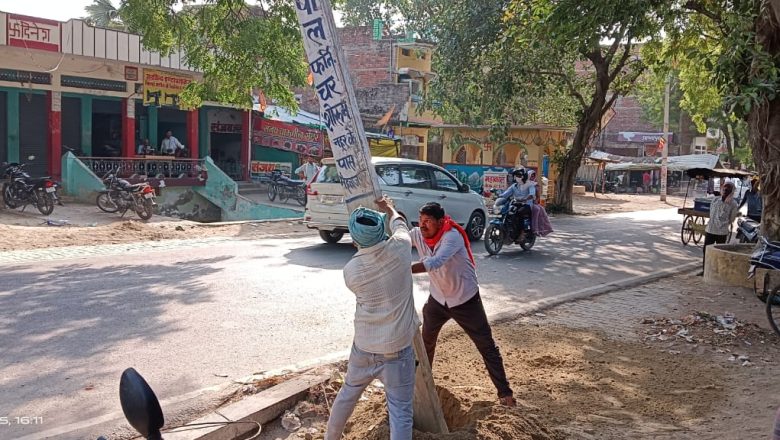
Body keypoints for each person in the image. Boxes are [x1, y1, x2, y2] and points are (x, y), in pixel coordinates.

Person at [326, 197, 418, 440]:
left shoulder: (351, 271)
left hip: (364, 347)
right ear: (381, 231)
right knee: (400, 412)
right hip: (397, 351)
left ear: (355, 240)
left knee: (347, 395)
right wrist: (388, 208)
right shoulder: (400, 248)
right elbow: (400, 225)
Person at [410, 202, 516, 407]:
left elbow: (435, 262)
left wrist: (403, 270)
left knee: (486, 346)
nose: (422, 226)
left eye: (428, 222)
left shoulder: (452, 237)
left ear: (441, 222)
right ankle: (423, 384)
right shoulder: (419, 234)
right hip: (438, 299)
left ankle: (506, 395)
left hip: (465, 300)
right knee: (426, 342)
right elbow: (399, 237)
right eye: (421, 221)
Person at [700, 181, 739, 275]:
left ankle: (717, 272)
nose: (725, 190)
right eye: (725, 188)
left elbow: (731, 219)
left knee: (719, 253)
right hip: (710, 230)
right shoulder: (715, 200)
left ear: (732, 191)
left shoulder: (733, 204)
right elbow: (711, 213)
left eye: (728, 188)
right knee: (706, 251)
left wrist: (725, 205)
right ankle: (705, 271)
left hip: (721, 232)